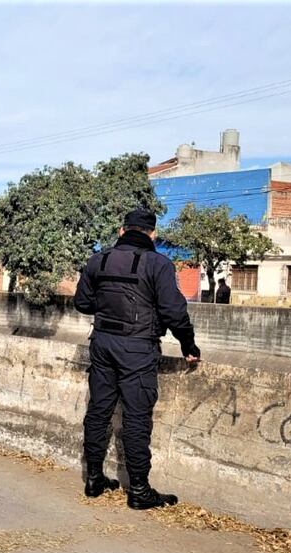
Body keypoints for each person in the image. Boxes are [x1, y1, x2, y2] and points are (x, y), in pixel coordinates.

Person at [74, 208, 201, 510]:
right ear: (152, 234)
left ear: (122, 231)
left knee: (99, 410)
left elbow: (82, 302)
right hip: (138, 349)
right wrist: (189, 345)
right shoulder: (158, 264)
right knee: (136, 417)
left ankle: (94, 478)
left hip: (102, 344)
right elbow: (174, 312)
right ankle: (139, 490)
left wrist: (108, 308)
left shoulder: (98, 260)